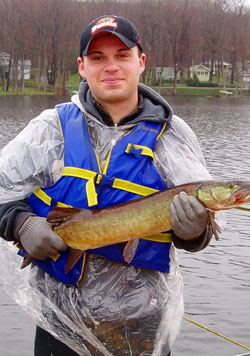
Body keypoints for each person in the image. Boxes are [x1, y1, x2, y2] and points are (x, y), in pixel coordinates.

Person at [0, 15, 213, 356]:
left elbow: (197, 237)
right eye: (98, 58)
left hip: (143, 325)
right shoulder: (50, 128)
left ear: (140, 62)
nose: (111, 67)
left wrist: (195, 231)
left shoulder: (174, 136)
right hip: (60, 327)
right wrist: (21, 223)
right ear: (82, 67)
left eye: (122, 55)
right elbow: (2, 190)